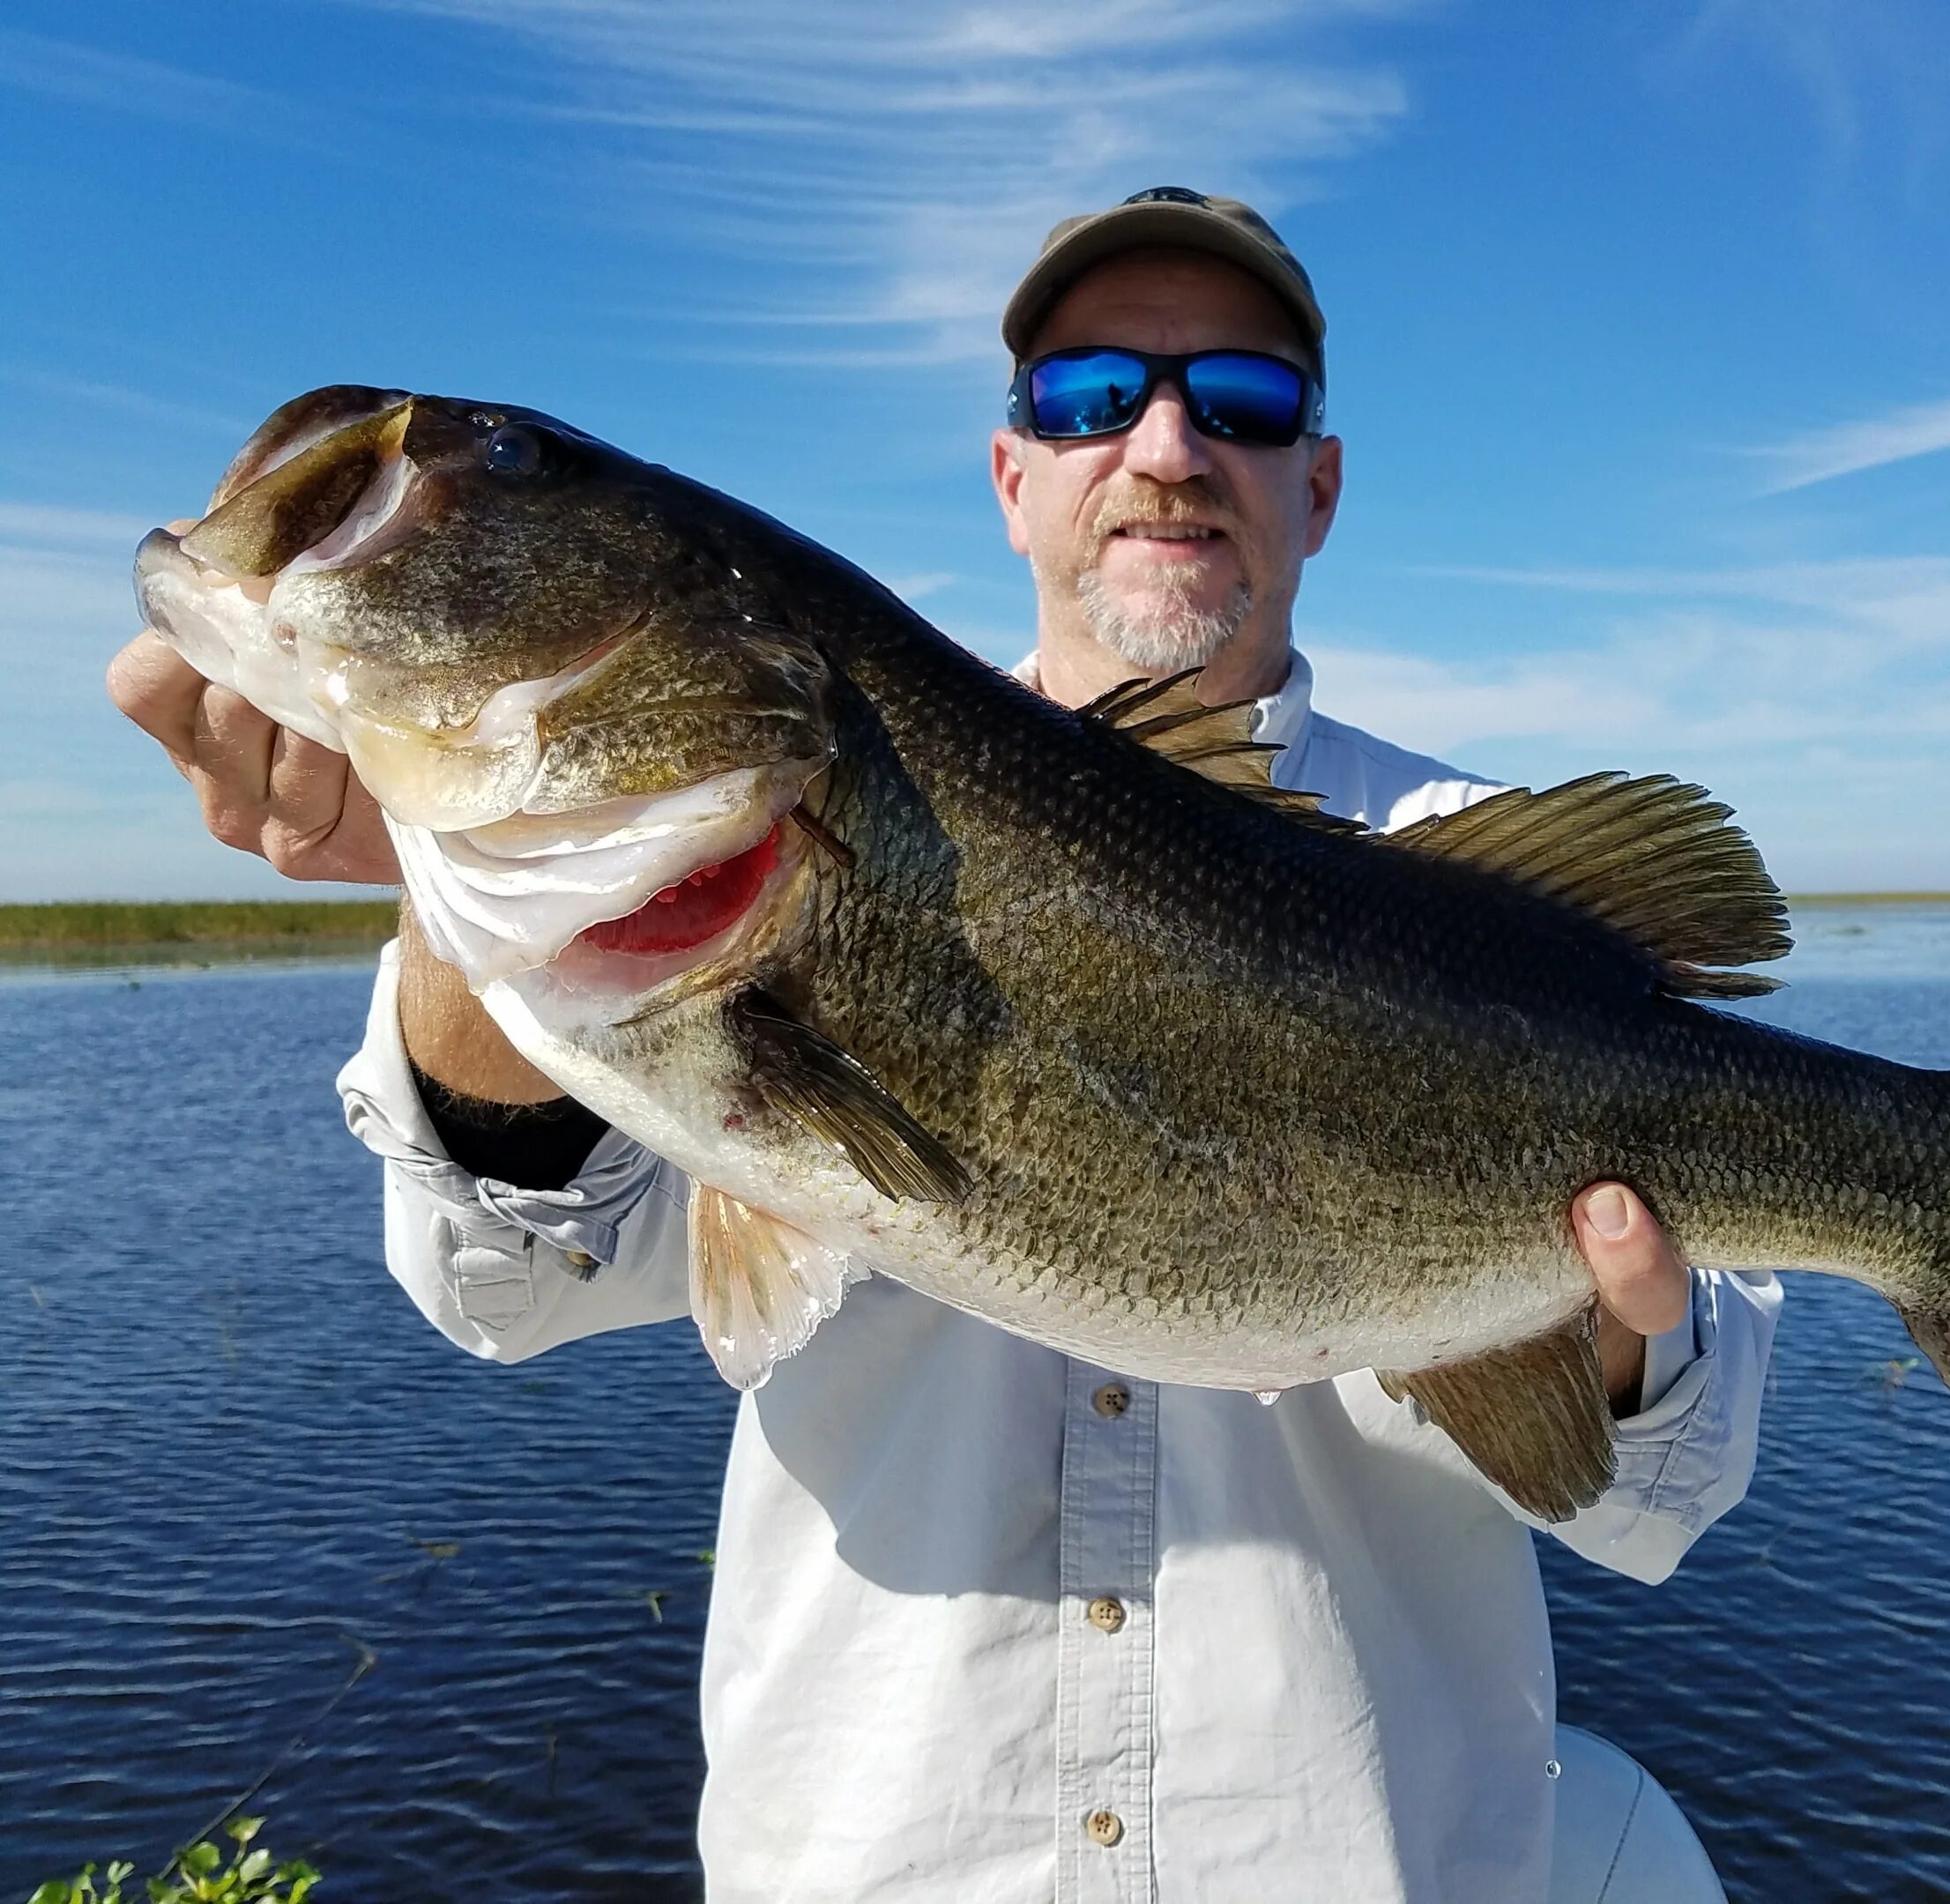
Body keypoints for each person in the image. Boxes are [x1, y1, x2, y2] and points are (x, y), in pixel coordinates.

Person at [107, 188, 1781, 1903]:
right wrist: (445, 873)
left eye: (1244, 400)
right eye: (1087, 397)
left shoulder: (1473, 866)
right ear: (1013, 475)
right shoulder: (745, 845)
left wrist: (1618, 1348)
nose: (1164, 442)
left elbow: (1668, 1489)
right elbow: (513, 1292)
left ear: (1318, 481)